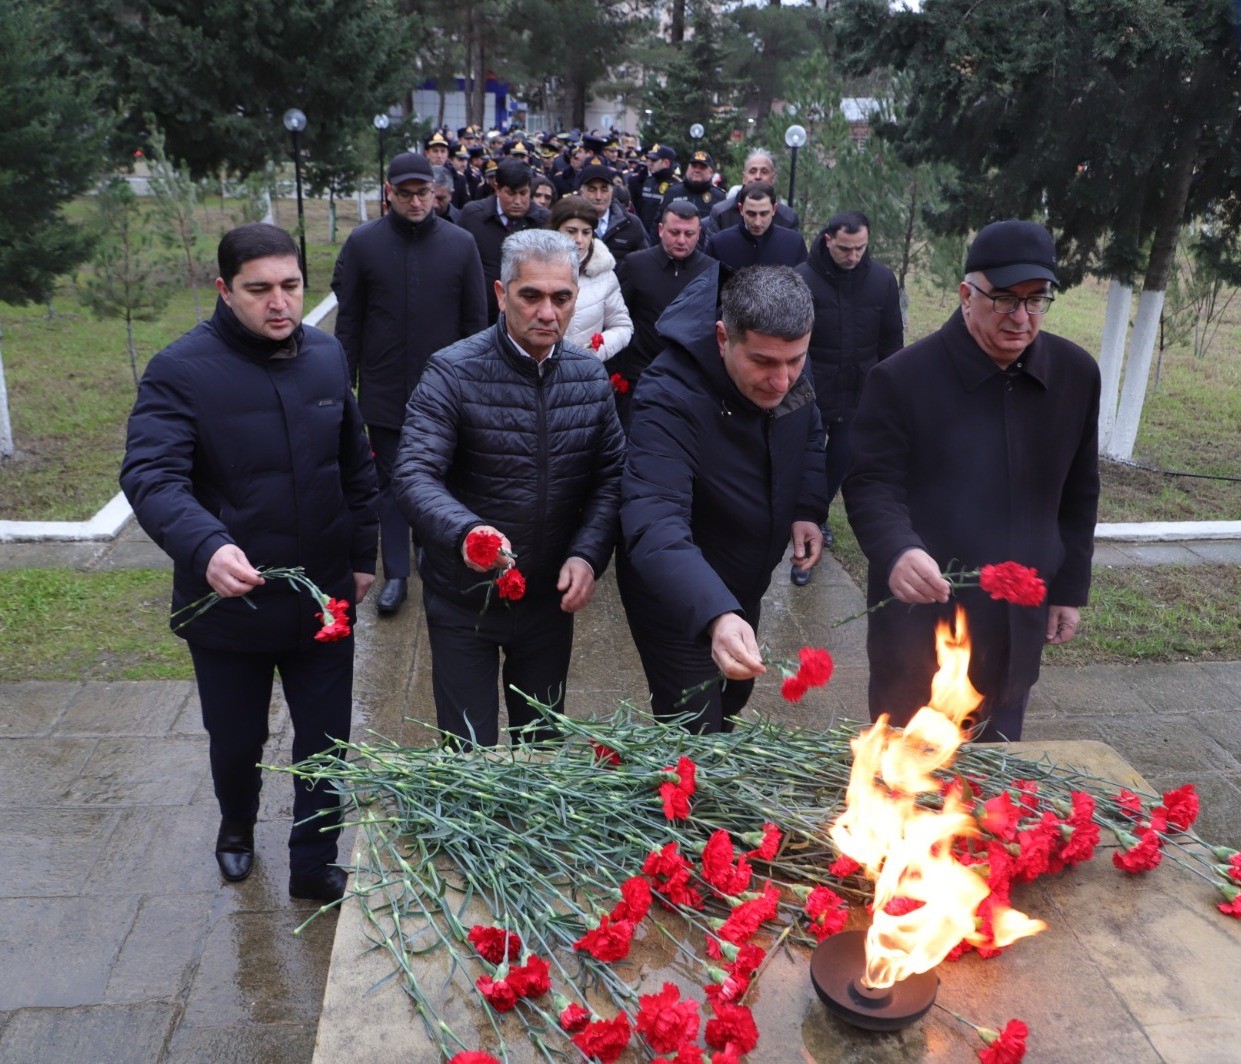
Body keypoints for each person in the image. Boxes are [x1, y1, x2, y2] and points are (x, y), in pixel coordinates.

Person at [120, 223, 379, 902]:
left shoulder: (326, 358)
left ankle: (312, 861)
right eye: (258, 289)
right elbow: (152, 476)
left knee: (325, 743)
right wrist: (206, 547)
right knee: (236, 743)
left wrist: (360, 555)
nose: (278, 303)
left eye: (290, 286)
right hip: (229, 607)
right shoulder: (180, 371)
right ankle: (236, 826)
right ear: (224, 290)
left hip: (321, 598)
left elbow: (354, 465)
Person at [844, 219, 1100, 743]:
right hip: (922, 617)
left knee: (996, 779)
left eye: (1036, 300)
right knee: (906, 783)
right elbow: (871, 483)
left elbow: (1080, 490)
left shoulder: (1075, 374)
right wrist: (897, 550)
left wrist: (1069, 588)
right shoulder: (901, 379)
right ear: (966, 294)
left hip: (1016, 621)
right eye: (1004, 299)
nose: (1021, 317)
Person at [392, 230, 626, 748]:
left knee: (541, 753)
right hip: (464, 599)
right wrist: (468, 532)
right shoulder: (452, 371)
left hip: (546, 600)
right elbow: (413, 474)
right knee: (466, 754)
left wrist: (588, 555)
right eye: (531, 296)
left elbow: (612, 476)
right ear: (501, 294)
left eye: (562, 298)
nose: (548, 312)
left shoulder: (589, 378)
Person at [618, 266, 827, 733]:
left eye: (796, 360)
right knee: (696, 731)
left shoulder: (784, 355)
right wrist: (715, 612)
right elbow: (653, 519)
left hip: (744, 579)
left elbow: (808, 429)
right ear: (721, 337)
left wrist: (806, 508)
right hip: (675, 595)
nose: (782, 380)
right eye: (764, 363)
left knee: (732, 699)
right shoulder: (668, 393)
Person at [332, 152, 487, 617]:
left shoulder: (461, 244)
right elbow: (351, 322)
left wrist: (475, 386)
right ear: (389, 194)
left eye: (423, 193)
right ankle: (396, 572)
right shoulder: (363, 244)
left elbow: (476, 323)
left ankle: (432, 553)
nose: (416, 201)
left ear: (436, 193)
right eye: (405, 194)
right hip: (383, 390)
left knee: (442, 478)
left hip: (446, 392)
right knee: (392, 484)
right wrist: (345, 388)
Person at [791, 210, 903, 586]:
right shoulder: (803, 279)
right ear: (828, 240)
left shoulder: (882, 280)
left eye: (860, 248)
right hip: (810, 389)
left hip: (859, 390)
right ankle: (797, 522)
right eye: (845, 249)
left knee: (840, 460)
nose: (853, 256)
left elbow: (891, 340)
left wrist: (888, 387)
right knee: (803, 457)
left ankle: (815, 521)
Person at [610, 201, 713, 426]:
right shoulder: (636, 265)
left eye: (689, 234)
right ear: (660, 230)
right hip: (639, 379)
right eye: (674, 232)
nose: (681, 240)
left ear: (699, 233)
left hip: (689, 382)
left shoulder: (711, 272)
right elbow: (615, 319)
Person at [458, 158, 552, 323]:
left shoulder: (543, 221)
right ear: (497, 188)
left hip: (527, 317)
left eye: (523, 193)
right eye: (510, 193)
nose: (517, 201)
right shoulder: (473, 217)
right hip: (482, 316)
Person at [549, 195, 633, 361]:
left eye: (586, 232)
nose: (579, 240)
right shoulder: (534, 268)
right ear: (555, 231)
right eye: (571, 231)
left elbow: (622, 326)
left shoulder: (604, 274)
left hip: (583, 375)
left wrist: (592, 354)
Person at [705, 182, 807, 270]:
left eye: (763, 214)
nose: (757, 222)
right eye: (751, 214)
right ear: (741, 209)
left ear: (774, 210)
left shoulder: (794, 243)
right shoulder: (719, 244)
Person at [703, 148, 800, 238]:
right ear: (744, 178)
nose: (758, 176)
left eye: (764, 171)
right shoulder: (721, 213)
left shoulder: (788, 218)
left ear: (773, 178)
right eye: (752, 171)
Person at [576, 155, 648, 268]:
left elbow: (644, 265)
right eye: (592, 189)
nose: (598, 196)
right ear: (581, 192)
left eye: (604, 189)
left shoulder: (631, 224)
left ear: (612, 192)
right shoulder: (568, 223)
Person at [651, 149, 726, 239]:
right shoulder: (673, 191)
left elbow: (724, 229)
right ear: (688, 169)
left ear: (710, 172)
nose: (697, 170)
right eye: (694, 166)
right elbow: (658, 224)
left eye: (702, 167)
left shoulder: (719, 196)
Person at [635, 145, 678, 233]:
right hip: (643, 235)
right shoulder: (647, 181)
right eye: (650, 160)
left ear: (666, 163)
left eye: (654, 160)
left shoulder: (676, 185)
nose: (650, 163)